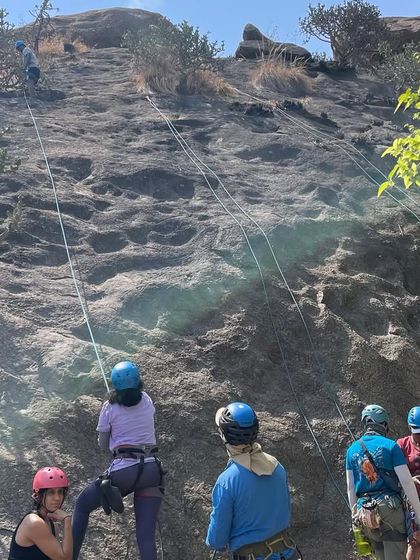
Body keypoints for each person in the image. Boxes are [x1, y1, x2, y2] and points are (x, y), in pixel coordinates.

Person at [72, 361, 164, 560]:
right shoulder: (147, 400)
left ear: (114, 386)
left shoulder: (109, 407)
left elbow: (103, 444)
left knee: (82, 505)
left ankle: (68, 557)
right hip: (151, 470)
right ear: (139, 382)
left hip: (124, 471)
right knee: (146, 538)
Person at [206, 402, 299, 560]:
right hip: (288, 552)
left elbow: (217, 540)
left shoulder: (226, 482)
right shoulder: (276, 466)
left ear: (224, 436)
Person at [346, 404, 420, 560]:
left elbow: (350, 489)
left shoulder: (351, 450)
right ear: (384, 424)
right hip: (390, 509)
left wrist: (354, 517)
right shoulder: (391, 446)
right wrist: (418, 514)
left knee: (379, 556)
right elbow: (406, 483)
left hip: (365, 512)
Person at [8, 466, 73, 560]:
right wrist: (67, 521)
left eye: (60, 492)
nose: (57, 498)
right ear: (38, 495)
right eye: (51, 492)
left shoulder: (51, 523)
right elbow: (65, 559)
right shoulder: (34, 522)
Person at [397, 407, 420, 559]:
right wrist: (408, 480)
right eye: (417, 431)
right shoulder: (401, 444)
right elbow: (392, 473)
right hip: (412, 501)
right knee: (414, 542)